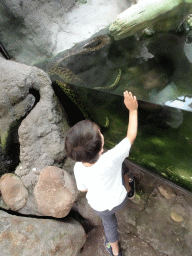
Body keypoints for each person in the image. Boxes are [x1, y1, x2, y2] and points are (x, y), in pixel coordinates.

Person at [65, 91, 138, 256]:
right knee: (123, 165)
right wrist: (133, 110)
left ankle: (115, 250)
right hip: (120, 199)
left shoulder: (78, 168)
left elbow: (83, 189)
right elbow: (131, 135)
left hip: (100, 206)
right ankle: (130, 190)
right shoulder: (112, 157)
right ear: (102, 142)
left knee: (109, 225)